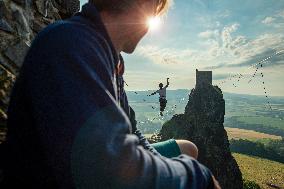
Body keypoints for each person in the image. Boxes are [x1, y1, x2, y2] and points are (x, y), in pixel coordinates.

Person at [2, 0, 221, 188]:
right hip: (65, 176)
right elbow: (108, 170)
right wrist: (200, 177)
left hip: (92, 163)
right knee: (192, 168)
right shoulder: (70, 44)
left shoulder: (109, 58)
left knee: (188, 149)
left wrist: (163, 165)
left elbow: (132, 133)